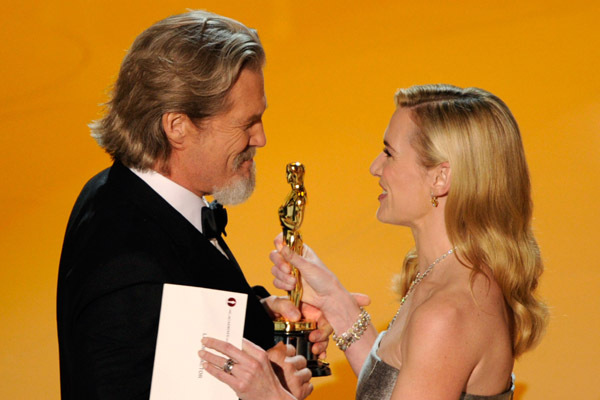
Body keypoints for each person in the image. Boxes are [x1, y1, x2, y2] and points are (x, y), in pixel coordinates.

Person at [57, 10, 326, 400]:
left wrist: (260, 314)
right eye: (247, 123)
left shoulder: (120, 192)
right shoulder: (129, 271)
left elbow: (181, 315)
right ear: (177, 126)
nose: (261, 138)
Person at [266, 84, 549, 399]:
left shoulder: (446, 314)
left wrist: (270, 396)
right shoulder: (450, 276)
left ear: (440, 177)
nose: (375, 167)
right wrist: (335, 300)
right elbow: (392, 386)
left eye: (389, 153)